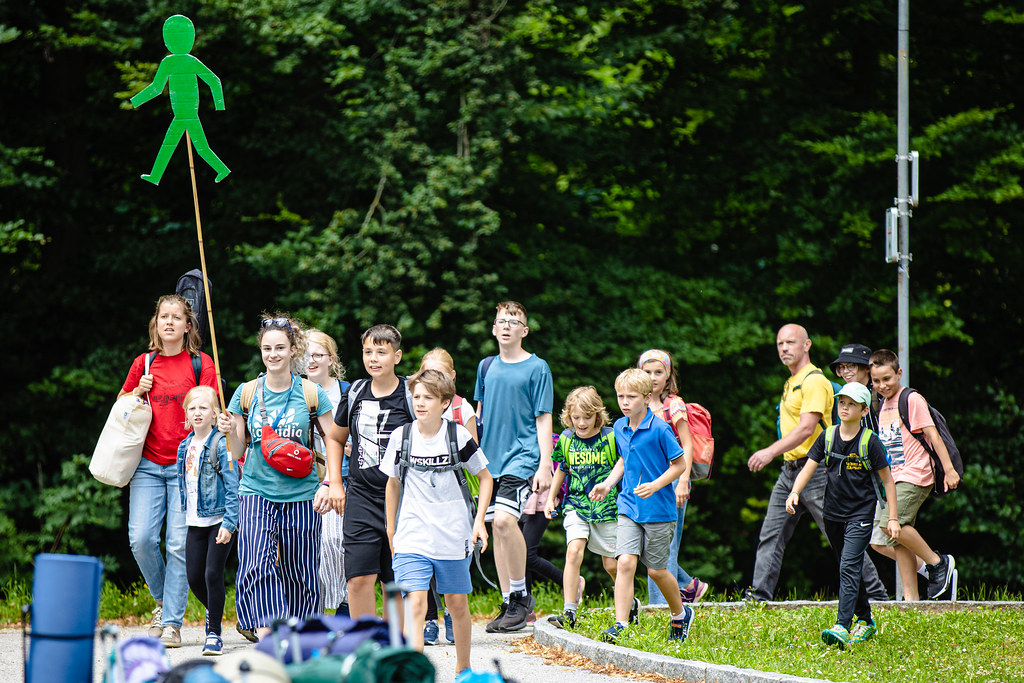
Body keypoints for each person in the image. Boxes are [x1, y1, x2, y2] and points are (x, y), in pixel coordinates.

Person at [746, 323, 886, 602]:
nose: (784, 348)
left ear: (807, 345)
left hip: (818, 471)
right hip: (790, 472)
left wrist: (768, 452)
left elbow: (806, 429)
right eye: (780, 344)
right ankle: (759, 597)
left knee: (840, 537)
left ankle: (877, 595)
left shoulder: (814, 381)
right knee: (771, 535)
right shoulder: (791, 382)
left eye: (790, 343)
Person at [223, 314, 334, 641]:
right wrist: (230, 430)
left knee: (300, 571)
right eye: (267, 348)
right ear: (260, 349)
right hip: (256, 490)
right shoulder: (245, 393)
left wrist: (330, 483)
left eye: (280, 348)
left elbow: (335, 441)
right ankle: (268, 628)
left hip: (303, 493)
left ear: (292, 349)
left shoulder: (312, 394)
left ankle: (303, 634)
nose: (273, 354)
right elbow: (236, 449)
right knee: (256, 560)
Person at [119, 294, 218, 647]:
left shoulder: (200, 363)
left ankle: (172, 623)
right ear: (156, 324)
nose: (170, 322)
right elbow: (121, 407)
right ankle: (163, 601)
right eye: (164, 317)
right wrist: (136, 392)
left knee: (178, 544)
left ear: (188, 325)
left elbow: (212, 406)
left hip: (186, 464)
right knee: (141, 539)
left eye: (178, 317)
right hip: (147, 463)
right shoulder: (144, 364)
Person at [381, 369, 493, 675]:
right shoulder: (401, 437)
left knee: (456, 604)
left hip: (453, 533)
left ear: (444, 402)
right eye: (416, 396)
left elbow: (485, 479)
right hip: (412, 534)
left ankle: (463, 670)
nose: (420, 403)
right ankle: (416, 676)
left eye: (428, 398)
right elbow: (392, 484)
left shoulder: (459, 435)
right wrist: (391, 529)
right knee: (415, 604)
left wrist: (479, 521)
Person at [785, 382, 900, 648]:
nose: (844, 407)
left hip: (860, 513)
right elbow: (808, 467)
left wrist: (892, 518)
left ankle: (842, 625)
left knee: (849, 566)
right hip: (832, 515)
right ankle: (867, 620)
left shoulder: (870, 442)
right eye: (842, 403)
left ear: (863, 411)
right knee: (848, 566)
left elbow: (889, 481)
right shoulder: (827, 435)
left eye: (851, 404)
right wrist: (794, 492)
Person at [473, 301, 554, 633]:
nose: (506, 325)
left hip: (522, 457)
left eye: (514, 321)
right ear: (493, 329)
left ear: (525, 330)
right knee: (496, 529)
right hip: (489, 461)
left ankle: (521, 596)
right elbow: (477, 415)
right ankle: (508, 602)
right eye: (500, 321)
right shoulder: (486, 366)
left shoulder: (538, 368)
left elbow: (543, 417)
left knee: (507, 522)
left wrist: (545, 464)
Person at [325, 324, 413, 620]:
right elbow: (335, 438)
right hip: (361, 497)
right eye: (367, 352)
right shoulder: (355, 392)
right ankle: (365, 646)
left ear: (397, 356)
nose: (373, 358)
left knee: (396, 582)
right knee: (359, 578)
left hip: (402, 499)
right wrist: (335, 482)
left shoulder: (411, 395)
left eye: (381, 352)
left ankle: (394, 647)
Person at [603, 369, 694, 643]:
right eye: (620, 396)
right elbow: (624, 460)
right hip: (629, 506)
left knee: (655, 570)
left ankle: (680, 614)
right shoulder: (619, 426)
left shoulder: (660, 429)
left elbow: (679, 464)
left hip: (659, 510)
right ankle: (621, 623)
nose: (625, 402)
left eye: (631, 396)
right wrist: (608, 484)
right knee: (625, 563)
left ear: (647, 397)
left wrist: (656, 485)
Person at [830, 344, 930, 587]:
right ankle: (927, 573)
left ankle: (935, 566)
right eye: (841, 367)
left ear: (868, 369)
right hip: (870, 478)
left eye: (851, 366)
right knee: (879, 541)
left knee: (888, 531)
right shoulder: (848, 398)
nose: (845, 371)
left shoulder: (879, 398)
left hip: (892, 475)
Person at [868, 349, 959, 600]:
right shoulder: (882, 405)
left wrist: (949, 469)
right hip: (894, 479)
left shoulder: (911, 399)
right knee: (897, 539)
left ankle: (937, 563)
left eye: (887, 379)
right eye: (876, 381)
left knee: (890, 525)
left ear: (899, 373)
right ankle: (911, 600)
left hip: (915, 475)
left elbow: (932, 435)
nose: (882, 385)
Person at [544, 386, 622, 630]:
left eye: (586, 417)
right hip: (575, 505)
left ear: (597, 414)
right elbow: (562, 469)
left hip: (606, 508)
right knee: (573, 551)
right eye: (576, 417)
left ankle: (627, 602)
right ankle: (569, 612)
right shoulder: (567, 438)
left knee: (611, 565)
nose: (581, 422)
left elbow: (624, 461)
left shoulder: (610, 437)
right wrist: (550, 498)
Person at [638, 349, 710, 605]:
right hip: (647, 483)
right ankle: (687, 585)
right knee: (648, 545)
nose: (653, 377)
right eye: (647, 372)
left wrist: (682, 481)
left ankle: (659, 607)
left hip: (673, 482)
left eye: (659, 372)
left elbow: (687, 446)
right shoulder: (638, 404)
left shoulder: (674, 405)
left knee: (664, 545)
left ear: (668, 377)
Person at [417, 348, 477, 645]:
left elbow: (473, 459)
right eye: (429, 374)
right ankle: (430, 618)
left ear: (452, 378)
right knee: (422, 559)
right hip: (421, 498)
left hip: (454, 499)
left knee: (454, 559)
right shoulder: (416, 404)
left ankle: (454, 612)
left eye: (441, 375)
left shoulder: (462, 409)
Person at [176, 385, 239, 656]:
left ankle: (214, 633)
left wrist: (229, 523)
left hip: (219, 520)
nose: (197, 412)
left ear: (215, 414)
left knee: (212, 574)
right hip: (195, 522)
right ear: (186, 416)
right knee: (193, 578)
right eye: (192, 408)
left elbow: (233, 486)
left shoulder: (220, 444)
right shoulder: (183, 446)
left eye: (203, 408)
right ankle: (214, 612)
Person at [305, 330, 351, 616]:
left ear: (331, 360)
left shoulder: (348, 391)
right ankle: (313, 609)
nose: (311, 361)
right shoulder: (293, 389)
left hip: (341, 477)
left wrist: (334, 479)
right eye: (305, 355)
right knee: (306, 548)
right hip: (302, 477)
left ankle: (345, 602)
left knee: (336, 542)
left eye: (317, 355)